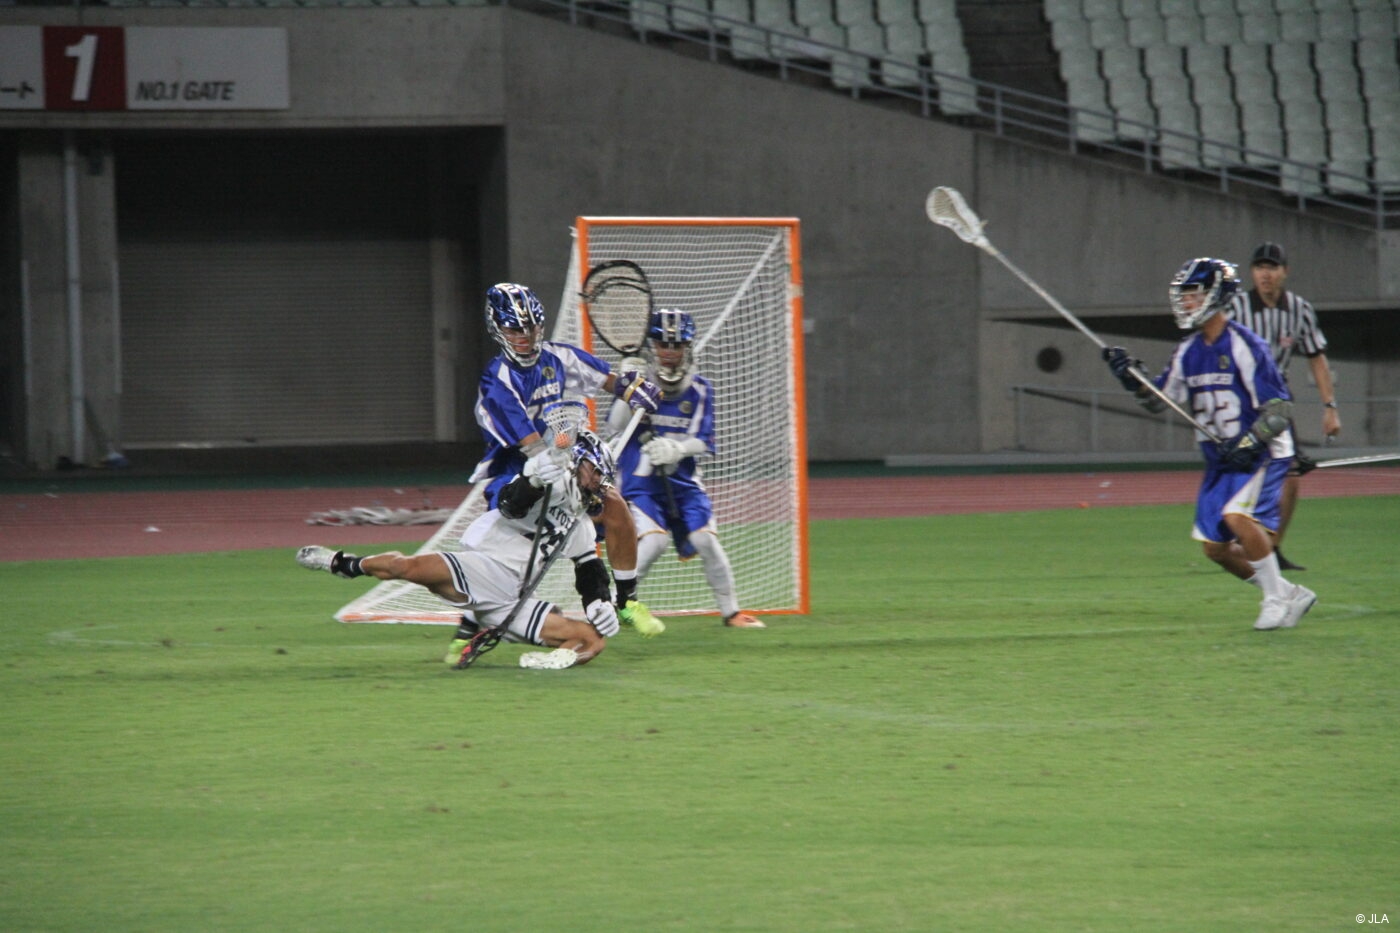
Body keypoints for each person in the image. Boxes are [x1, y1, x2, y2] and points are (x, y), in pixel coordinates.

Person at [1103, 257, 1317, 631]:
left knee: (1238, 517)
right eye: (1183, 296)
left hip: (1261, 453)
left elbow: (1279, 408)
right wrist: (1132, 379)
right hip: (1221, 460)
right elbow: (1159, 400)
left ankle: (1274, 600)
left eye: (1193, 294)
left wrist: (1249, 443)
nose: (1186, 302)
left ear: (1216, 296)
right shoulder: (1188, 351)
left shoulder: (1245, 345)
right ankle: (1290, 592)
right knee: (1215, 549)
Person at [297, 430, 623, 671]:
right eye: (594, 471)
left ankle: (550, 662)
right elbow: (510, 504)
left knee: (593, 640)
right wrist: (534, 480)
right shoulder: (549, 484)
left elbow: (589, 572)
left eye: (602, 476)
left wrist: (599, 602)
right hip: (483, 567)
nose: (599, 482)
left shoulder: (581, 525)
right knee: (405, 567)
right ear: (577, 461)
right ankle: (344, 564)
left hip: (515, 598)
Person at [473, 282, 665, 637]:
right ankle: (471, 624)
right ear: (496, 328)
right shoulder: (496, 380)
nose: (525, 336)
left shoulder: (558, 357)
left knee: (613, 506)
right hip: (517, 471)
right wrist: (575, 471)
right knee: (508, 555)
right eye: (515, 329)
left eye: (531, 327)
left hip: (560, 455)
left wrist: (636, 390)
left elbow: (610, 381)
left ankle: (626, 602)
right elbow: (532, 447)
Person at [605, 309, 765, 629]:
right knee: (654, 543)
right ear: (652, 346)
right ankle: (613, 606)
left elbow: (703, 441)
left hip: (683, 483)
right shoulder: (641, 382)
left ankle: (731, 612)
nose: (669, 351)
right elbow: (616, 425)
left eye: (677, 344)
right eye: (663, 344)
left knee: (705, 541)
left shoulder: (700, 390)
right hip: (640, 483)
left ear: (687, 347)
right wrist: (628, 387)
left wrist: (677, 449)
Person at [1226, 241, 1340, 571]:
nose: (1265, 274)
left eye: (1272, 267)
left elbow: (1316, 357)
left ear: (1284, 272)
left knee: (1291, 477)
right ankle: (1232, 541)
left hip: (1277, 399)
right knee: (1241, 471)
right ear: (1252, 273)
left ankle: (1272, 548)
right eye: (1260, 267)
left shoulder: (1299, 310)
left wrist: (1330, 406)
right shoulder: (1236, 308)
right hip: (1241, 398)